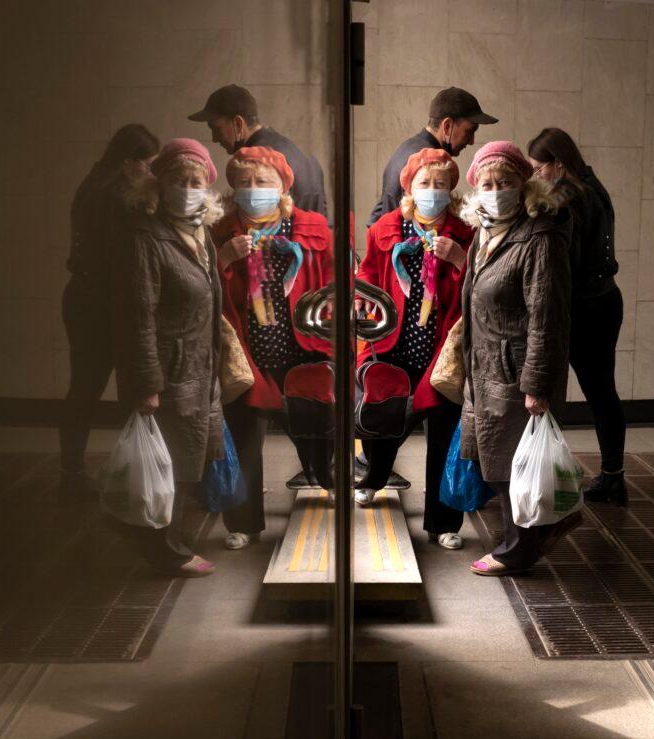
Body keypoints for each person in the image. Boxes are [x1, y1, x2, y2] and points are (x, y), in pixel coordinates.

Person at [457, 142, 573, 575]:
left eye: (505, 181)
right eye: (486, 183)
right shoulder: (484, 232)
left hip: (514, 369)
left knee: (510, 466)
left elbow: (548, 316)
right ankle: (541, 530)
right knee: (495, 463)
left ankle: (517, 551)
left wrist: (537, 385)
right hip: (484, 368)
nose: (495, 189)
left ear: (523, 184)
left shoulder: (537, 237)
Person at [112, 139, 226, 575]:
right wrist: (146, 384)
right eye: (178, 179)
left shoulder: (199, 232)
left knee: (183, 462)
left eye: (196, 180)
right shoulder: (145, 236)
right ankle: (164, 552)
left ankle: (161, 538)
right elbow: (137, 315)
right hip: (170, 369)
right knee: (170, 464)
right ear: (158, 184)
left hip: (197, 366)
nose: (188, 187)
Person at [212, 146, 334, 550]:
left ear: (282, 186)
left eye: (262, 182)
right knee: (244, 432)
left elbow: (335, 281)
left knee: (315, 423)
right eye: (244, 182)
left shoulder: (311, 226)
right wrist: (224, 258)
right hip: (246, 348)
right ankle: (243, 522)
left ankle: (327, 482)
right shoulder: (221, 231)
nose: (253, 190)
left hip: (303, 344)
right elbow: (201, 288)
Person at [353, 148, 473, 550]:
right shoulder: (387, 228)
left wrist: (459, 259)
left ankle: (443, 523)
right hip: (394, 343)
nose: (433, 191)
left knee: (442, 431)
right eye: (425, 183)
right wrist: (361, 300)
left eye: (441, 184)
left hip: (443, 350)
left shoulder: (465, 233)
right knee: (384, 420)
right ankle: (374, 478)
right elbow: (368, 271)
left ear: (452, 189)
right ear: (409, 188)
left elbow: (480, 284)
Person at [59, 124, 160, 501]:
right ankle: (133, 479)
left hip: (81, 297)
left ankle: (71, 474)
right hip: (106, 302)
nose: (150, 173)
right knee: (130, 389)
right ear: (129, 161)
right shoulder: (118, 194)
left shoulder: (91, 182)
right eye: (147, 165)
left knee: (82, 390)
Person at [527, 127, 628, 506]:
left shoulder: (567, 198)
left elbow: (561, 263)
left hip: (581, 307)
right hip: (605, 301)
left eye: (539, 167)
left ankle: (541, 476)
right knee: (603, 391)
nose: (536, 175)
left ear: (556, 163)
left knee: (548, 390)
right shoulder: (593, 184)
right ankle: (613, 475)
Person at [189, 84, 328, 218]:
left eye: (216, 129)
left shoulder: (257, 161)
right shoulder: (290, 148)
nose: (214, 138)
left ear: (238, 124)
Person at [368, 87, 496, 227]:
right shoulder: (430, 164)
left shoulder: (407, 148)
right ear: (447, 126)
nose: (471, 141)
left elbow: (376, 217)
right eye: (469, 131)